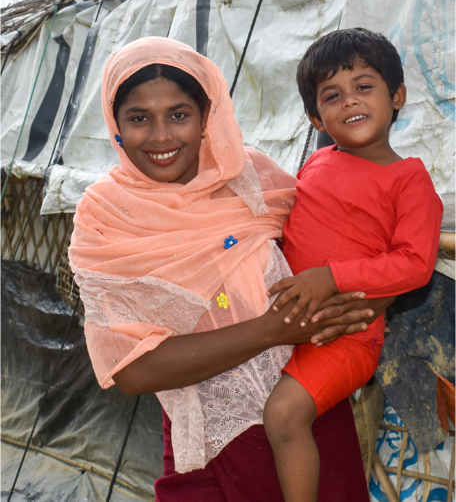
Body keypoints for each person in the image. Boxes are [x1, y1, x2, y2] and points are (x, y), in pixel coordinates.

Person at [69, 36, 394, 502]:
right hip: (211, 449)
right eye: (139, 118)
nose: (161, 136)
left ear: (206, 117)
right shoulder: (105, 219)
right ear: (115, 125)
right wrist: (274, 329)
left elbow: (342, 253)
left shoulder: (253, 180)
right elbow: (133, 371)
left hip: (313, 424)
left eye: (179, 115)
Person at [263, 28, 443, 502]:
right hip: (285, 321)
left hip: (346, 337)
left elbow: (415, 264)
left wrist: (333, 277)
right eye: (332, 95)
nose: (349, 101)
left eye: (364, 86)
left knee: (283, 415)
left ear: (397, 95)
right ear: (313, 115)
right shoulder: (316, 161)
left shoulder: (410, 181)